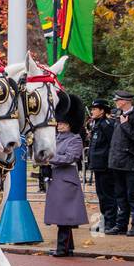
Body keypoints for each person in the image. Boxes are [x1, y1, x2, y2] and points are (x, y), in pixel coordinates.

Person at [45, 91, 89, 257]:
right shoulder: (57, 138)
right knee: (62, 215)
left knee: (64, 217)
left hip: (67, 178)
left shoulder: (75, 139)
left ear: (71, 124)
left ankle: (62, 248)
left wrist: (50, 158)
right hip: (58, 178)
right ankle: (68, 247)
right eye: (59, 122)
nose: (60, 125)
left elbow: (71, 157)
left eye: (63, 123)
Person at [107, 90, 134, 237]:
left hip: (130, 161)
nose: (116, 102)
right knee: (120, 195)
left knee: (133, 196)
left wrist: (125, 125)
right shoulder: (118, 115)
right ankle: (121, 225)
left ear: (125, 101)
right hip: (117, 161)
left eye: (118, 100)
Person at [87, 98, 116, 231]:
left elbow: (112, 144)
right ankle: (105, 221)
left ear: (102, 111)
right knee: (102, 196)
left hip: (106, 166)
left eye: (95, 109)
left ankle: (111, 222)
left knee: (108, 195)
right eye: (92, 109)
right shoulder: (97, 124)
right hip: (98, 165)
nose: (92, 111)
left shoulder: (106, 125)